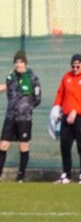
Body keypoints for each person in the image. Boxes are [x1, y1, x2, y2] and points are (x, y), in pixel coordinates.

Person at [52, 53, 81, 184]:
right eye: (73, 66)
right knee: (65, 145)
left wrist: (75, 111)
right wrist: (56, 107)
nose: (75, 68)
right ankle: (66, 174)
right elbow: (60, 93)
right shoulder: (67, 77)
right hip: (66, 116)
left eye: (78, 66)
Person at [2, 50, 41, 182]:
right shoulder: (11, 77)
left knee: (23, 146)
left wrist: (26, 107)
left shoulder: (32, 78)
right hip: (10, 117)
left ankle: (21, 176)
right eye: (16, 62)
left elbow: (37, 98)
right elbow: (5, 88)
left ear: (25, 63)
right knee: (3, 145)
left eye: (21, 61)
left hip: (24, 119)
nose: (18, 64)